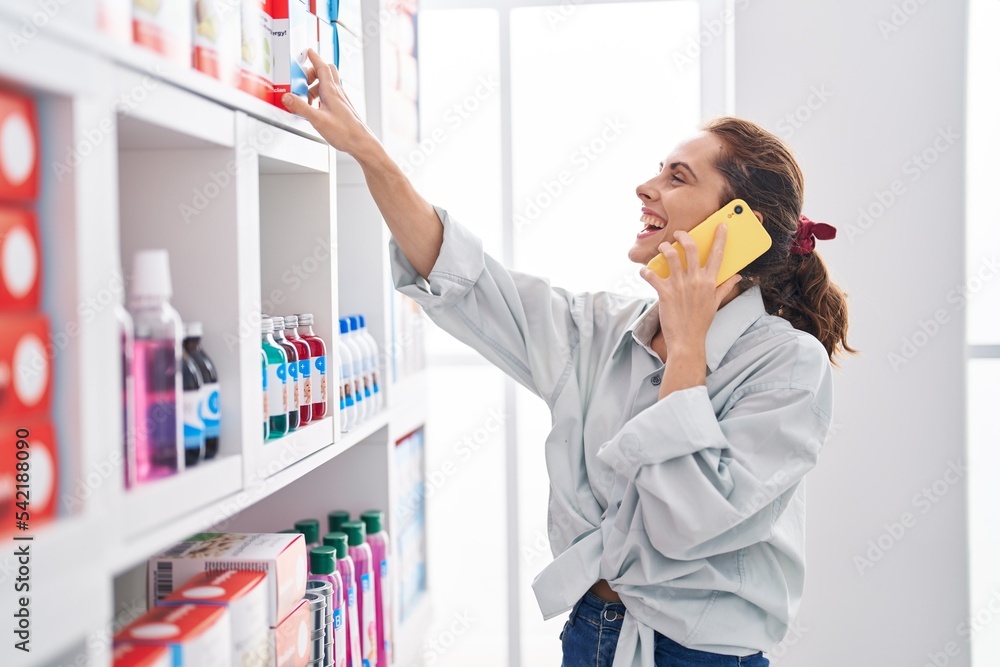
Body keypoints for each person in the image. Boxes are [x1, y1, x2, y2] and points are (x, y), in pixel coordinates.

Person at [284, 49, 856, 667]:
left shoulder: (789, 367)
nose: (646, 186)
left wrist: (689, 347)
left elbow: (685, 522)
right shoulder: (600, 330)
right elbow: (463, 277)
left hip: (703, 656)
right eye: (658, 170)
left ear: (737, 225)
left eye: (678, 177)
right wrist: (369, 152)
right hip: (592, 636)